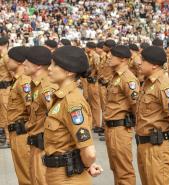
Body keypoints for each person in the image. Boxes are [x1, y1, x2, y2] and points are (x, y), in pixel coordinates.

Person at [42, 45, 102, 185]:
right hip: (58, 174)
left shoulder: (72, 102)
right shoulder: (61, 98)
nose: (49, 68)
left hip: (68, 178)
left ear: (68, 71)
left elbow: (89, 152)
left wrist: (87, 165)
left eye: (55, 64)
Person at [135, 45, 169, 185]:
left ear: (155, 65)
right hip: (145, 144)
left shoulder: (163, 85)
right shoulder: (148, 83)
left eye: (143, 60)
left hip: (157, 147)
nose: (138, 62)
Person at [104, 45, 139, 185]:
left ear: (123, 59)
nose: (108, 57)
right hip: (111, 128)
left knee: (124, 171)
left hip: (120, 129)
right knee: (116, 168)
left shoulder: (128, 78)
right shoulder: (116, 76)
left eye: (112, 56)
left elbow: (136, 105)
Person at [23, 46, 58, 185]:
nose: (24, 63)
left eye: (28, 61)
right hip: (35, 145)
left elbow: (58, 119)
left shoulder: (47, 88)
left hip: (44, 147)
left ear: (38, 66)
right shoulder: (35, 85)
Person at [6, 46, 31, 185]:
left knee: (27, 176)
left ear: (20, 62)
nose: (7, 61)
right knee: (23, 176)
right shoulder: (18, 80)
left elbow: (32, 109)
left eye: (10, 59)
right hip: (17, 133)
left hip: (23, 134)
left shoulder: (24, 82)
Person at [0, 36, 13, 148]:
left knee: (6, 114)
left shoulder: (6, 57)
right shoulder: (2, 56)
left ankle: (9, 139)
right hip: (1, 90)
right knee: (2, 115)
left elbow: (13, 73)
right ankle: (5, 136)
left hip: (6, 89)